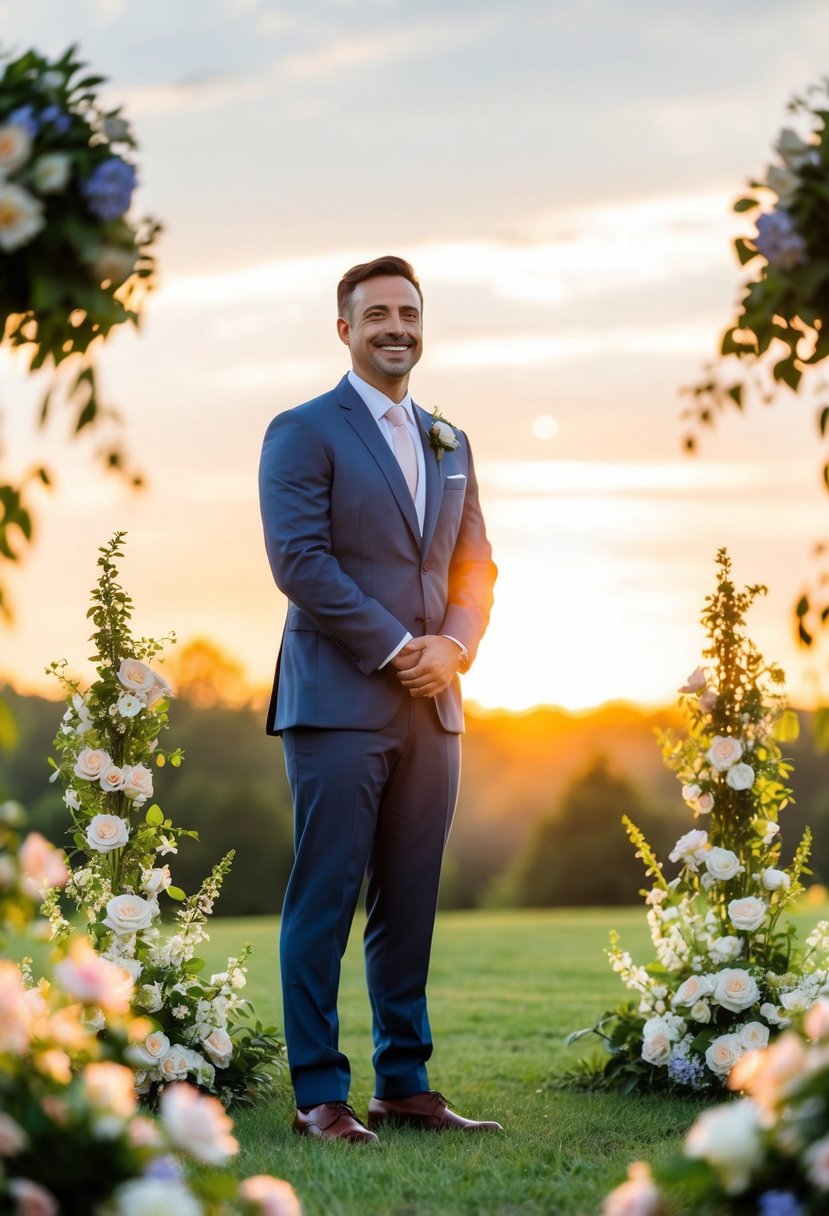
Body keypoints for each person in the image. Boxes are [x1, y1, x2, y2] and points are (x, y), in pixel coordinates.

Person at [258, 255, 499, 1143]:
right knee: (324, 896)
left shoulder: (450, 440)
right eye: (377, 314)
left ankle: (405, 1082)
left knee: (412, 896)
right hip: (334, 701)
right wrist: (401, 648)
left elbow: (476, 565)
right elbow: (300, 563)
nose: (395, 326)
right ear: (344, 329)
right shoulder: (301, 430)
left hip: (434, 706)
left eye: (409, 312)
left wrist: (456, 647)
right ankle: (319, 1092)